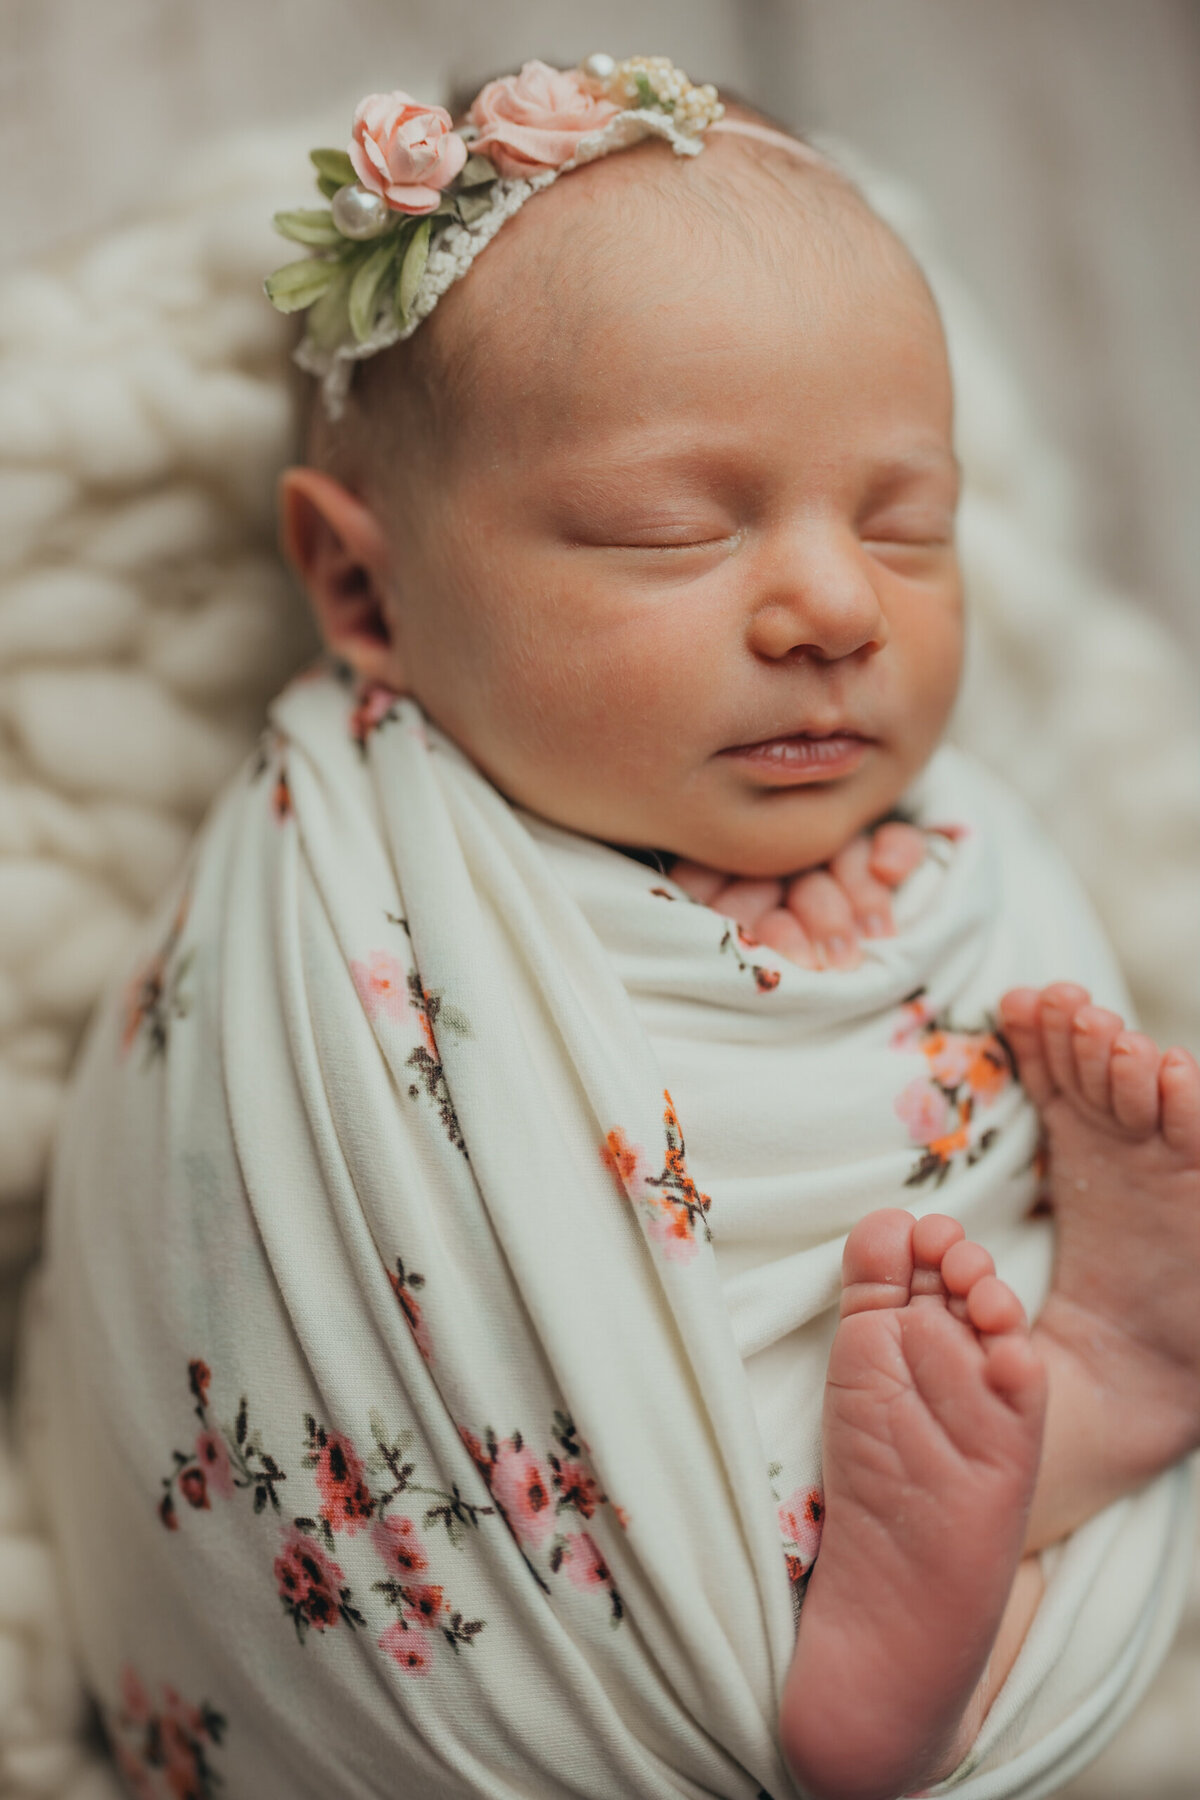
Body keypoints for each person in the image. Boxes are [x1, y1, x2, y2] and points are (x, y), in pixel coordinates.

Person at [22, 56, 1200, 1800]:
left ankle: (1066, 1413)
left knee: (945, 1271)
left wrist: (855, 951)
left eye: (909, 525)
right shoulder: (339, 862)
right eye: (676, 532)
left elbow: (973, 1035)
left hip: (902, 1438)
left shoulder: (960, 847)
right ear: (363, 589)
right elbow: (233, 1190)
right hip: (492, 1636)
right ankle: (870, 1604)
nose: (832, 606)